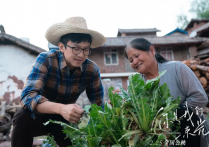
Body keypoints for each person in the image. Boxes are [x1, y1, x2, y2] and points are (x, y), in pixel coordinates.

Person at [11, 17, 106, 147]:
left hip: (63, 121)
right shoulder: (46, 59)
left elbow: (99, 107)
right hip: (36, 117)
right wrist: (61, 108)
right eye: (76, 48)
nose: (81, 54)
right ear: (62, 47)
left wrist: (92, 134)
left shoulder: (91, 69)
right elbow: (27, 97)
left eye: (86, 49)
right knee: (22, 115)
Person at [124, 38, 209, 147]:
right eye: (131, 60)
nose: (135, 61)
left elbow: (200, 98)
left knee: (181, 110)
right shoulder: (135, 84)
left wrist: (170, 115)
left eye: (137, 56)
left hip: (189, 133)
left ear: (152, 51)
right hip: (158, 139)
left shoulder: (177, 68)